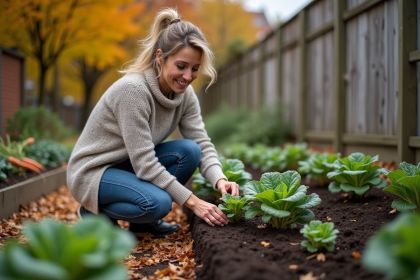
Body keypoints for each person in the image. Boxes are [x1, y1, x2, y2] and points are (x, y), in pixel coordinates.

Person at [67, 7, 239, 238]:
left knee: (190, 150)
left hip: (126, 165)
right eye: (181, 66)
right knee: (157, 204)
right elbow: (145, 164)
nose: (188, 76)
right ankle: (95, 214)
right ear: (160, 57)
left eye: (195, 69)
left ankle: (141, 224)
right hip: (94, 172)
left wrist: (220, 179)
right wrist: (194, 203)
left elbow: (202, 143)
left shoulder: (185, 95)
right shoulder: (133, 91)